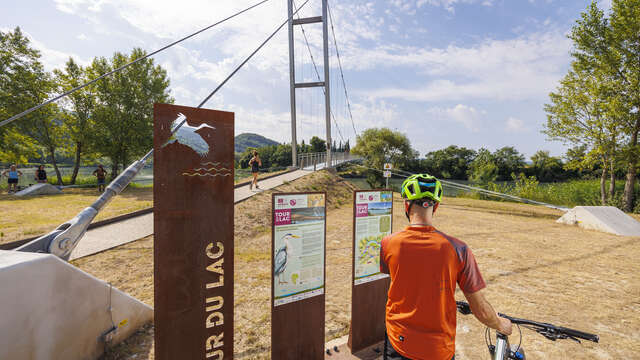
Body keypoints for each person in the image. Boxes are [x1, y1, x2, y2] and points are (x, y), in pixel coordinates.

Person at [380, 173, 512, 360]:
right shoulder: (459, 249)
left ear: (406, 204)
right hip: (437, 349)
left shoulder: (387, 243)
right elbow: (481, 310)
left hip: (398, 340)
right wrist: (500, 323)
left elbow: (397, 277)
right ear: (436, 206)